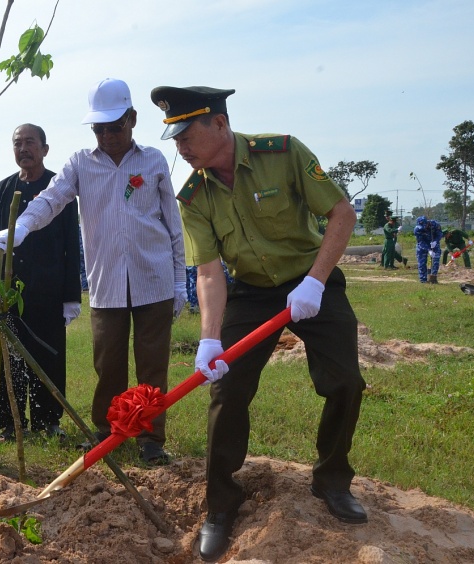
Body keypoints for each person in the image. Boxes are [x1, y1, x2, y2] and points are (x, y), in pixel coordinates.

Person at [149, 84, 368, 561]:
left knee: (345, 382)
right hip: (250, 291)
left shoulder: (283, 154)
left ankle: (331, 479)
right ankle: (220, 506)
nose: (180, 148)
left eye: (186, 135)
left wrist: (314, 282)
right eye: (176, 139)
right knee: (227, 393)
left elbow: (341, 213)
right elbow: (208, 271)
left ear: (220, 125)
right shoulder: (194, 195)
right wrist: (209, 339)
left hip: (312, 281)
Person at [0, 78, 187, 465]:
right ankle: (108, 433)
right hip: (107, 284)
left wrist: (181, 281)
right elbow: (51, 199)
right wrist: (22, 226)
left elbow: (172, 224)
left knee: (152, 367)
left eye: (114, 127)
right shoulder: (81, 164)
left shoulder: (153, 161)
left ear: (132, 119)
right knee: (108, 365)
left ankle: (151, 440)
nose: (107, 136)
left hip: (154, 281)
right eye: (99, 129)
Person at [0, 124, 82, 442]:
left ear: (45, 149)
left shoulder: (58, 189)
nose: (24, 149)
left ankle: (48, 420)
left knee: (49, 356)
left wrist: (72, 295)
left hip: (49, 291)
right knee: (10, 358)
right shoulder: (3, 188)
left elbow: (73, 244)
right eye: (17, 143)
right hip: (9, 292)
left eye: (30, 142)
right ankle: (10, 421)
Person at [413, 216, 443, 283]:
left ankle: (433, 278)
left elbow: (440, 234)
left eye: (424, 225)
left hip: (434, 243)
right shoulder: (417, 229)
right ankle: (423, 280)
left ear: (427, 223)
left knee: (436, 260)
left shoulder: (435, 224)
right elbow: (420, 242)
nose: (423, 227)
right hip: (423, 245)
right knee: (421, 262)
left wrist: (435, 241)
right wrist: (428, 250)